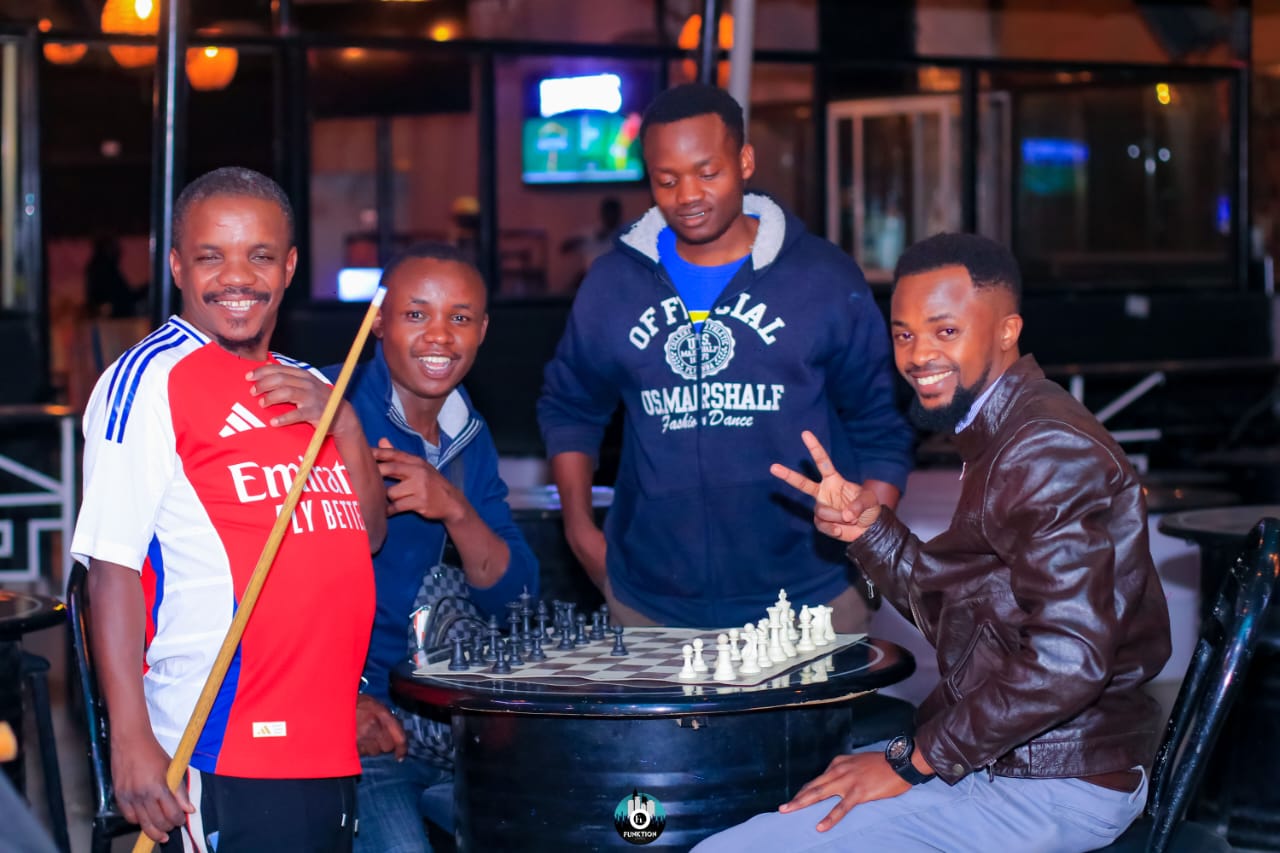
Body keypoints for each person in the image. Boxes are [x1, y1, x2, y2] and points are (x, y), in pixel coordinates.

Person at [694, 232, 1172, 853]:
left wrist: (912, 761)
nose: (919, 354)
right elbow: (970, 617)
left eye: (945, 331)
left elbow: (1067, 659)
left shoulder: (1042, 446)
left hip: (1053, 781)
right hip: (1016, 758)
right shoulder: (1001, 429)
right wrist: (868, 531)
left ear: (1007, 331)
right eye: (903, 334)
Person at [71, 167, 388, 851]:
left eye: (260, 255)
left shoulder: (312, 385)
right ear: (177, 266)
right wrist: (129, 739)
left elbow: (366, 536)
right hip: (220, 739)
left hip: (325, 738)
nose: (236, 277)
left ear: (290, 266)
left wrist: (345, 423)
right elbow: (111, 570)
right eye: (211, 256)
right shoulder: (148, 380)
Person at [537, 83, 913, 631]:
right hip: (649, 601)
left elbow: (881, 425)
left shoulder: (824, 278)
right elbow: (570, 407)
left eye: (707, 173)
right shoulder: (613, 284)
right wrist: (579, 532)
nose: (688, 195)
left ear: (745, 161)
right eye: (667, 180)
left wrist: (869, 539)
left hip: (816, 596)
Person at [325, 242, 538, 852]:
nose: (439, 335)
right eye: (416, 314)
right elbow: (269, 587)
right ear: (378, 322)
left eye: (459, 317)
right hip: (361, 725)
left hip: (454, 722)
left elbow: (517, 600)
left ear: (483, 331)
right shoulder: (331, 411)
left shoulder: (468, 433)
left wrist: (454, 506)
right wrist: (342, 701)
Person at [85, 235, 145, 318]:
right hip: (113, 317)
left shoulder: (101, 267)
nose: (118, 251)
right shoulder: (103, 269)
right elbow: (121, 295)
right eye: (114, 247)